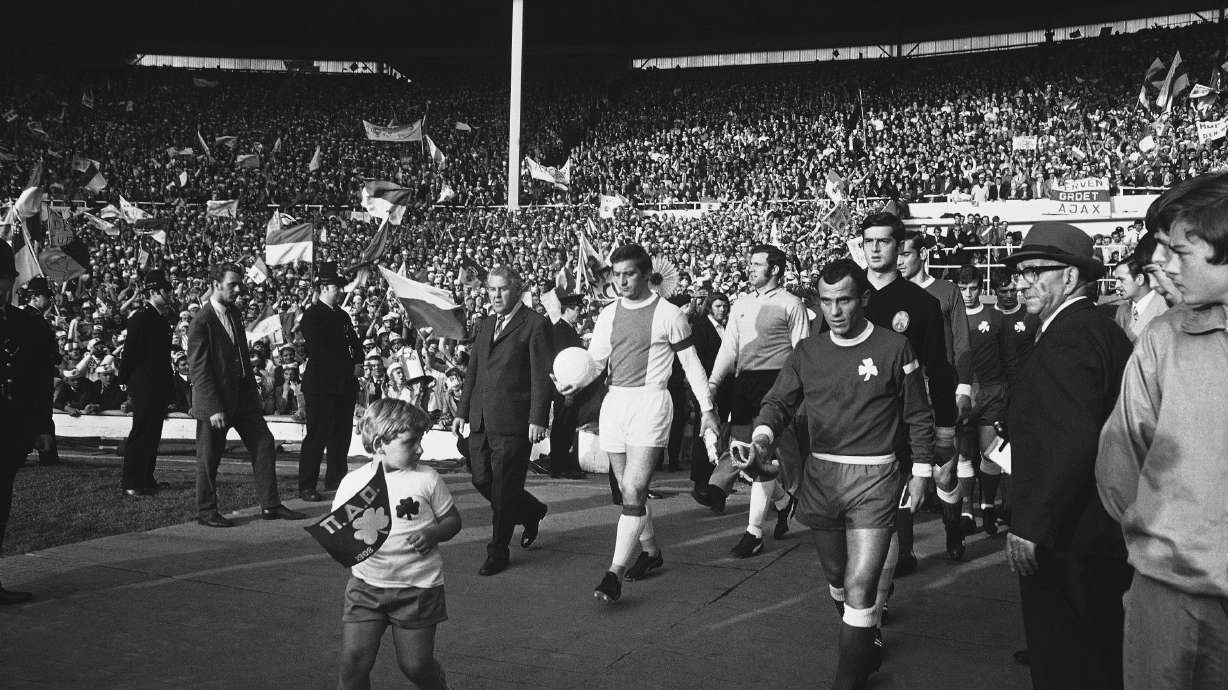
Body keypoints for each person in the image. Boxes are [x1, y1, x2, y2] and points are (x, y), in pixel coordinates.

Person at [744, 259, 933, 689]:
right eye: (826, 302)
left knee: (860, 583)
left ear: (863, 299)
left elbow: (917, 415)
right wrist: (760, 439)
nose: (835, 311)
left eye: (844, 300)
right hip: (822, 479)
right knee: (836, 578)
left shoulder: (894, 348)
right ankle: (865, 638)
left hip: (875, 479)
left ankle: (849, 677)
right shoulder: (807, 353)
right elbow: (777, 404)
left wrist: (921, 470)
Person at [1096, 174, 1228, 689]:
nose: (1165, 267)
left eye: (1180, 252)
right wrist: (1168, 546)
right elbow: (1120, 461)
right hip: (1171, 596)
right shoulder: (1164, 339)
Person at [1001, 221, 1132, 689]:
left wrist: (1032, 525)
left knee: (1066, 656)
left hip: (1069, 535)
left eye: (1035, 270)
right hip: (1094, 530)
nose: (1020, 280)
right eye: (1019, 270)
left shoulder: (1071, 335)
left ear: (1071, 277)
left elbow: (1072, 440)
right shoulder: (1093, 328)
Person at [556, 244, 719, 603]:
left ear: (647, 274)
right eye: (616, 274)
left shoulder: (670, 314)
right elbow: (596, 363)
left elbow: (691, 366)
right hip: (615, 404)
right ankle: (650, 550)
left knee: (632, 488)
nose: (621, 281)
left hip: (651, 402)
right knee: (627, 492)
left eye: (628, 273)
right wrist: (575, 382)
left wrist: (707, 409)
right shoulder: (608, 314)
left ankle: (613, 573)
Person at [336, 399, 461, 690]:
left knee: (416, 666)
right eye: (411, 442)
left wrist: (434, 533)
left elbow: (453, 521)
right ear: (380, 443)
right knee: (353, 662)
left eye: (421, 441)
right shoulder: (353, 483)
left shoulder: (427, 478)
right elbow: (341, 533)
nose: (420, 449)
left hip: (417, 587)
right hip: (366, 587)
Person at [859, 211, 957, 579]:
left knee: (894, 498)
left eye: (883, 241)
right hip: (851, 418)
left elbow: (939, 368)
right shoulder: (848, 295)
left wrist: (945, 429)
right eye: (869, 241)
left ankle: (891, 567)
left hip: (899, 419)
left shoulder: (920, 304)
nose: (875, 248)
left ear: (899, 247)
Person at [703, 244, 809, 557]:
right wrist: (712, 382)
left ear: (774, 269)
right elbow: (729, 348)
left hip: (777, 380)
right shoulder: (741, 303)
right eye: (749, 263)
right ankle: (783, 501)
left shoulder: (792, 304)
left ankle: (753, 532)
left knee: (762, 455)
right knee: (742, 452)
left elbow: (801, 351)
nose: (749, 268)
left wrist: (797, 391)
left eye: (757, 264)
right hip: (744, 381)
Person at [188, 262, 306, 528]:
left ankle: (270, 505)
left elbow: (241, 356)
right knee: (209, 459)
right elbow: (199, 369)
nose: (238, 290)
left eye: (240, 284)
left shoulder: (234, 313)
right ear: (215, 284)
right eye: (232, 285)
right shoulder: (201, 321)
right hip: (216, 402)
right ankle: (206, 512)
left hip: (243, 398)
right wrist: (213, 406)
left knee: (264, 443)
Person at [452, 265, 552, 577]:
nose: (495, 295)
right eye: (491, 289)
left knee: (503, 490)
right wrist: (461, 412)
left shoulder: (535, 324)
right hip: (481, 419)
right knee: (482, 479)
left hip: (514, 421)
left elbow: (541, 376)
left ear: (517, 290)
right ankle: (531, 509)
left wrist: (538, 419)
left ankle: (498, 551)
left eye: (502, 289)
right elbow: (473, 373)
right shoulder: (485, 324)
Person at [897, 229, 975, 555]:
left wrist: (964, 390)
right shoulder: (890, 295)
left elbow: (962, 344)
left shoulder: (947, 291)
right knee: (902, 470)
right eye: (895, 254)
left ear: (923, 254)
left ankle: (953, 530)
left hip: (939, 391)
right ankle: (904, 551)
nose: (898, 261)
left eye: (906, 254)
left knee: (944, 472)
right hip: (902, 395)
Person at [0, 241, 56, 604]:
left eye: (5, 279)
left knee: (1, 505)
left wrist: (41, 427)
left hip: (9, 431)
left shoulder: (24, 324)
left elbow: (38, 379)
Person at [953, 265, 1016, 535]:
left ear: (982, 287)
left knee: (990, 452)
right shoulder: (949, 320)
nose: (968, 294)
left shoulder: (995, 317)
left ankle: (989, 506)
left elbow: (1009, 359)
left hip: (991, 392)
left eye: (973, 288)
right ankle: (967, 510)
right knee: (964, 453)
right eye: (963, 288)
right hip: (962, 395)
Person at [298, 262, 364, 502]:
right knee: (317, 436)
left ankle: (336, 480)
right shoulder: (312, 316)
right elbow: (320, 352)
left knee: (341, 436)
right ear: (324, 288)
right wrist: (350, 365)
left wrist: (358, 361)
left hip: (344, 387)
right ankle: (307, 485)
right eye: (337, 287)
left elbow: (356, 345)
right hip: (321, 386)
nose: (340, 291)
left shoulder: (343, 315)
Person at [118, 269, 176, 497]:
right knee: (141, 433)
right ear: (154, 291)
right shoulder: (141, 317)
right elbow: (130, 352)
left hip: (158, 384)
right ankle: (131, 481)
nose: (170, 293)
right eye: (166, 289)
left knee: (152, 434)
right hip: (144, 385)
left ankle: (146, 478)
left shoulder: (160, 318)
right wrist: (124, 380)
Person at [688, 291, 729, 499]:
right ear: (709, 308)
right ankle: (700, 480)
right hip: (706, 386)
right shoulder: (701, 328)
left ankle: (717, 481)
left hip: (727, 386)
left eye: (724, 306)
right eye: (718, 306)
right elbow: (698, 360)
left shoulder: (728, 328)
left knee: (722, 432)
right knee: (704, 432)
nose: (722, 309)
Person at [546, 292, 586, 479]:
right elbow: (561, 363)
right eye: (577, 309)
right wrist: (566, 391)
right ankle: (559, 465)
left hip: (571, 386)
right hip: (564, 386)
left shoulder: (566, 329)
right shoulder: (561, 331)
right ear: (568, 309)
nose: (579, 312)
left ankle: (561, 464)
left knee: (567, 425)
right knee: (562, 425)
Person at [21, 276, 60, 465]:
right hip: (35, 377)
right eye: (46, 296)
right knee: (39, 415)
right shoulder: (30, 318)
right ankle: (46, 454)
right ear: (35, 297)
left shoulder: (35, 317)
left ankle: (48, 455)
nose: (49, 300)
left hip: (40, 376)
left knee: (43, 415)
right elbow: (37, 350)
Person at [1111, 256, 1167, 343]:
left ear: (1140, 279)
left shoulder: (1165, 308)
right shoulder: (1122, 311)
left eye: (1121, 280)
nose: (1116, 286)